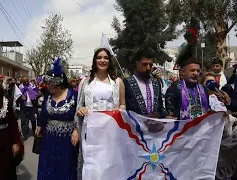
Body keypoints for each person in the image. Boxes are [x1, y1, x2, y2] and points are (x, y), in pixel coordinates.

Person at [75, 47, 126, 179]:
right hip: (90, 132)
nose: (102, 60)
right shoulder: (85, 82)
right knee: (92, 167)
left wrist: (120, 110)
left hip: (111, 132)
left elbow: (123, 103)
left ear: (109, 61)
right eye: (99, 57)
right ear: (94, 60)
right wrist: (81, 110)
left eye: (106, 58)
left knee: (110, 165)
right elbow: (79, 107)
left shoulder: (118, 82)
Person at [36, 58, 79, 180]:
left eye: (49, 83)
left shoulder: (74, 96)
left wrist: (77, 130)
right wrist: (40, 125)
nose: (47, 86)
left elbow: (80, 117)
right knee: (48, 167)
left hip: (68, 140)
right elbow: (44, 113)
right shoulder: (48, 97)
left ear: (58, 82)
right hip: (49, 139)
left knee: (66, 168)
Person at [123, 48, 167, 118]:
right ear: (137, 64)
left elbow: (160, 107)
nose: (148, 68)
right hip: (135, 126)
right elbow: (124, 109)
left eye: (150, 64)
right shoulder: (127, 83)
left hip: (155, 127)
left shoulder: (156, 83)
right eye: (144, 64)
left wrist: (165, 116)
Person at [19, 76, 38, 140]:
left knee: (33, 120)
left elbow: (36, 92)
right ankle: (24, 135)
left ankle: (34, 132)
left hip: (31, 106)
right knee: (23, 121)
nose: (26, 82)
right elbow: (17, 95)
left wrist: (34, 96)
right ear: (22, 81)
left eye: (27, 80)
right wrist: (20, 97)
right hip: (24, 106)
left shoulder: (32, 86)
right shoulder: (20, 87)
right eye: (24, 81)